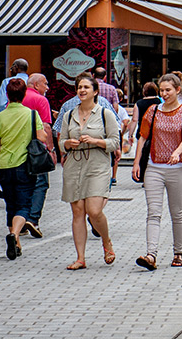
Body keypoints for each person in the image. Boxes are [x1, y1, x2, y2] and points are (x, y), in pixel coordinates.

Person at [132, 73, 182, 271]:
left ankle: (178, 252)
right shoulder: (153, 111)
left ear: (178, 90)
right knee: (153, 213)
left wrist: (178, 152)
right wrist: (136, 163)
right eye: (161, 90)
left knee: (176, 213)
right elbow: (142, 138)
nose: (164, 93)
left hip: (176, 169)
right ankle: (151, 255)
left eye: (168, 90)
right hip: (154, 167)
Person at [60, 73, 120, 270]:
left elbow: (115, 142)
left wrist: (95, 141)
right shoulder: (69, 114)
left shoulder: (105, 113)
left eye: (86, 87)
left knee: (94, 211)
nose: (82, 90)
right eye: (79, 87)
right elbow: (61, 142)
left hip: (97, 164)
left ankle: (106, 241)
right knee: (77, 212)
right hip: (74, 164)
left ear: (95, 91)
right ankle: (80, 258)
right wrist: (67, 143)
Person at [0, 77, 47, 260]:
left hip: (4, 166)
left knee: (10, 204)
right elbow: (42, 137)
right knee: (24, 205)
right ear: (23, 94)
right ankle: (14, 235)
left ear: (7, 94)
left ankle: (16, 244)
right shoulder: (31, 115)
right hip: (24, 165)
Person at [21, 73, 54, 239]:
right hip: (37, 149)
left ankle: (19, 219)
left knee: (23, 183)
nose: (47, 88)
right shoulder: (41, 100)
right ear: (36, 85)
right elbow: (46, 127)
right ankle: (33, 219)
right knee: (41, 183)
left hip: (17, 148)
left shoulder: (17, 97)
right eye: (45, 84)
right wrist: (51, 149)